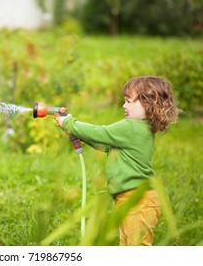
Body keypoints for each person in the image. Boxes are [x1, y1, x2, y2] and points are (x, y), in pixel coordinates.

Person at [55, 76, 180, 246]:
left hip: (138, 200)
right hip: (128, 198)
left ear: (148, 104)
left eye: (129, 101)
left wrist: (69, 123)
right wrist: (77, 132)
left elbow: (100, 133)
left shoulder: (130, 127)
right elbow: (104, 143)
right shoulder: (140, 129)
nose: (124, 105)